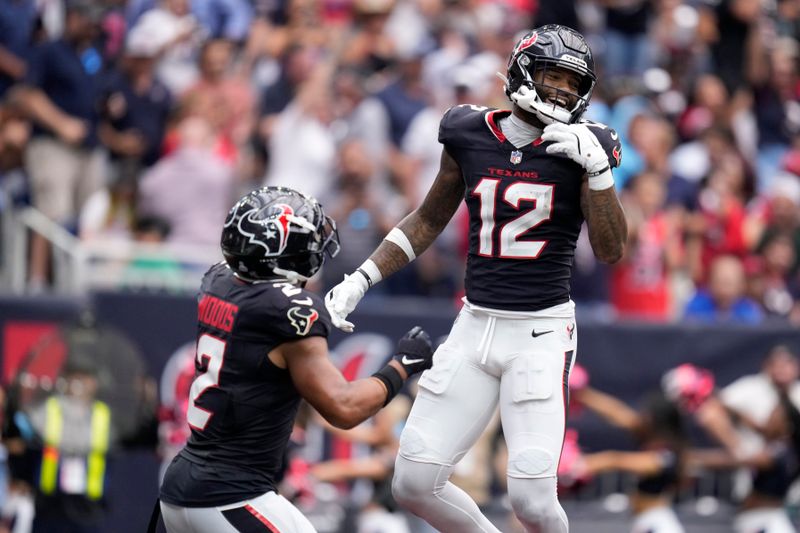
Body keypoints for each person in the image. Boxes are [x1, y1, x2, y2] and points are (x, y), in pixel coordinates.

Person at [325, 24, 627, 533]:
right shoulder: (467, 132)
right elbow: (426, 219)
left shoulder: (588, 146)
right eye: (554, 76)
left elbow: (613, 250)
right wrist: (360, 279)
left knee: (532, 501)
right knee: (413, 484)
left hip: (541, 331)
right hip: (473, 324)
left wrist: (598, 174)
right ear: (523, 72)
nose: (564, 93)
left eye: (574, 85)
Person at [158, 186, 434, 533]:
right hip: (231, 497)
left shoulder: (219, 280)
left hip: (183, 486)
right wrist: (402, 365)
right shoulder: (289, 312)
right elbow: (343, 406)